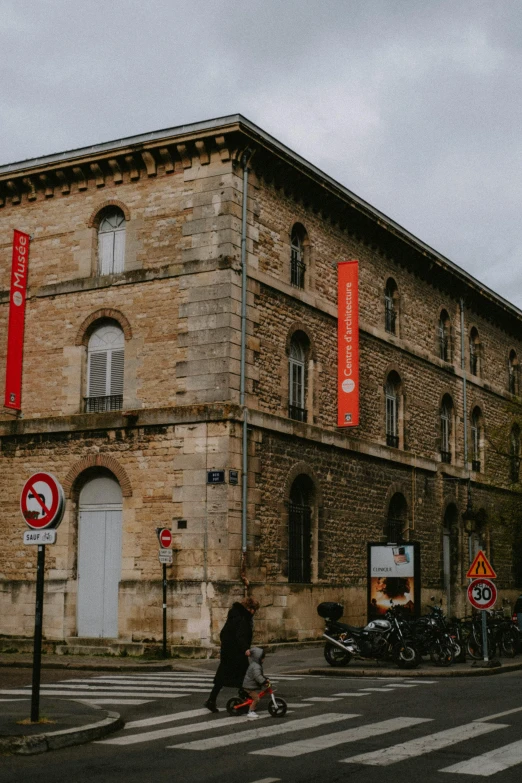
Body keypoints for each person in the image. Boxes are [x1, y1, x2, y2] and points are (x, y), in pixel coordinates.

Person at [204, 596, 260, 713]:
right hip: (237, 653)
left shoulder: (235, 614)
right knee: (244, 676)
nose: (254, 612)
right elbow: (240, 636)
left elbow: (223, 633)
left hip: (228, 652)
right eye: (254, 609)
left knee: (222, 677)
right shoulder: (242, 618)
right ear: (250, 608)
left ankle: (211, 700)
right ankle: (244, 701)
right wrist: (245, 649)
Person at [242, 646, 269, 719]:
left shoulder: (256, 664)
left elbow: (260, 675)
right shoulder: (256, 666)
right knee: (256, 698)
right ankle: (250, 712)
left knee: (254, 697)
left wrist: (265, 679)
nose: (263, 660)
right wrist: (264, 681)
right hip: (249, 686)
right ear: (258, 658)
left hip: (249, 684)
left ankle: (251, 706)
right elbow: (257, 676)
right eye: (262, 658)